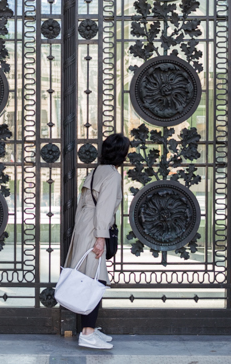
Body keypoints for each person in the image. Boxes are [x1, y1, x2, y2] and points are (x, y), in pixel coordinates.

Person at [64, 133, 130, 350]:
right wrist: (100, 238)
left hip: (85, 226)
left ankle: (89, 329)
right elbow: (104, 208)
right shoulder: (112, 175)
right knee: (94, 281)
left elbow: (84, 203)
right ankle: (87, 332)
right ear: (122, 154)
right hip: (95, 229)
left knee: (90, 277)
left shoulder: (95, 171)